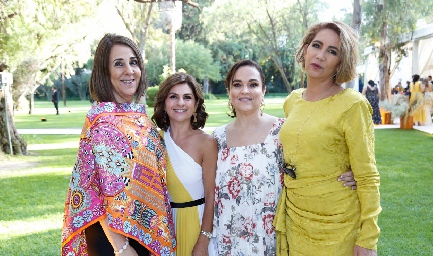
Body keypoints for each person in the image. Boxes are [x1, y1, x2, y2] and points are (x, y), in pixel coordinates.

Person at [212, 59, 358, 255]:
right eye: (237, 85)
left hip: (272, 238)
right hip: (227, 238)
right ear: (229, 91)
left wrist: (352, 173)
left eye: (253, 84)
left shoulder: (282, 131)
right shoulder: (217, 137)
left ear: (263, 91)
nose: (244, 90)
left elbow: (314, 165)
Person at [61, 34, 176, 256]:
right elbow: (94, 191)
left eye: (134, 62)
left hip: (142, 229)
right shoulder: (101, 122)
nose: (129, 70)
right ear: (105, 72)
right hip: (112, 240)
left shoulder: (141, 118)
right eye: (118, 64)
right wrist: (121, 247)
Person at [274, 21, 381, 256]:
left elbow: (367, 176)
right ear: (305, 49)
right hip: (296, 218)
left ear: (341, 62)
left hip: (338, 223)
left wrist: (368, 238)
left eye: (332, 51)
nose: (320, 56)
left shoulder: (352, 104)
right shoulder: (293, 101)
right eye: (316, 45)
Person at [151, 72, 218, 256]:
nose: (180, 103)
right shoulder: (153, 140)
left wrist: (203, 241)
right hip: (163, 228)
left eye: (187, 97)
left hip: (195, 224)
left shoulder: (207, 142)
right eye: (173, 96)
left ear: (196, 104)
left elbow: (212, 195)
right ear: (164, 102)